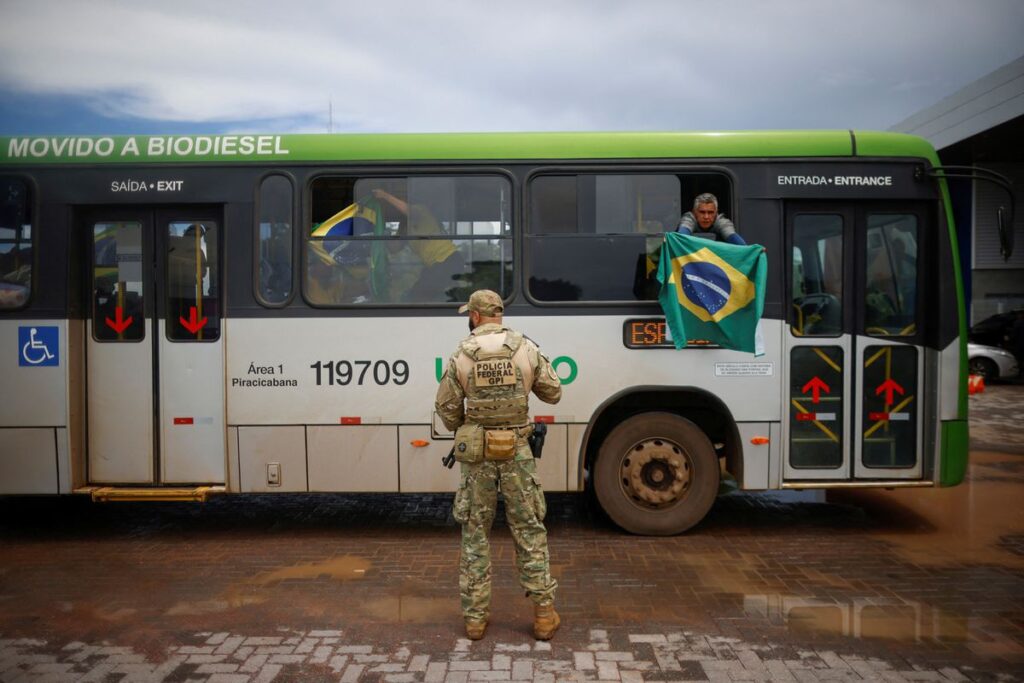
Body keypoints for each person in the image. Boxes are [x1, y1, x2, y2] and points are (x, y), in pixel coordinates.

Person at [434, 290, 563, 641]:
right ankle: (543, 616)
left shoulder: (461, 353)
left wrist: (469, 422)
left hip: (477, 458)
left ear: (475, 316)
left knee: (475, 534)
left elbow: (446, 410)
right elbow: (553, 392)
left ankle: (475, 621)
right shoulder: (525, 348)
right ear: (499, 315)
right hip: (518, 453)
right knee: (529, 531)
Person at [372, 188, 465, 301]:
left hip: (448, 259)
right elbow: (394, 248)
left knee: (419, 295)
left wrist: (385, 196)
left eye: (401, 199)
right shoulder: (405, 227)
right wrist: (381, 235)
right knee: (417, 293)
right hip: (434, 265)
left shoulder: (421, 210)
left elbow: (409, 211)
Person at [676, 192, 746, 245]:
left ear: (716, 213)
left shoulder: (722, 222)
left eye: (710, 212)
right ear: (694, 212)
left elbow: (739, 243)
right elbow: (681, 237)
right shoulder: (689, 218)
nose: (706, 217)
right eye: (702, 212)